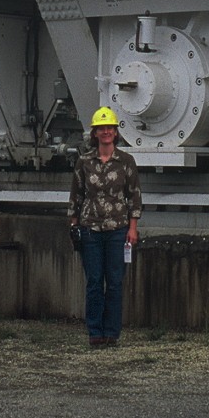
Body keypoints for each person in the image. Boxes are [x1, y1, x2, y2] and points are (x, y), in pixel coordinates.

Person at [68, 106, 142, 347]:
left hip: (118, 229)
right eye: (102, 129)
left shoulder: (126, 161)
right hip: (90, 229)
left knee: (115, 281)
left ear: (115, 132)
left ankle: (112, 332)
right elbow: (76, 194)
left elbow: (134, 196)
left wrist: (133, 228)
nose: (106, 132)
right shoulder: (84, 162)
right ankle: (95, 332)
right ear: (95, 133)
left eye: (109, 128)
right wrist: (74, 223)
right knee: (94, 281)